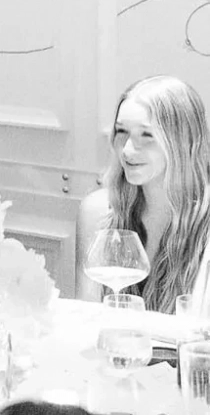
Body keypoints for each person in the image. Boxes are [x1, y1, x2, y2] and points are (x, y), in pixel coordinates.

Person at [75, 75, 210, 313]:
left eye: (146, 135)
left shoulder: (205, 225)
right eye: (121, 131)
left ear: (183, 142)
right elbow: (87, 317)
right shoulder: (98, 212)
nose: (127, 149)